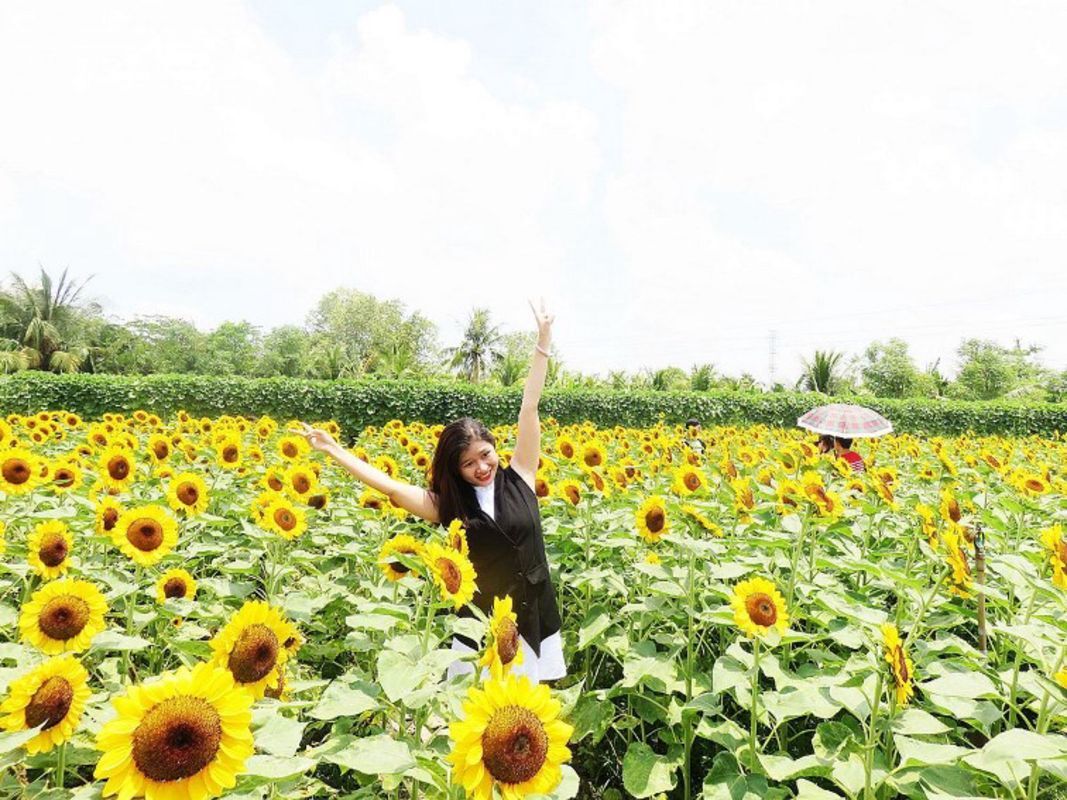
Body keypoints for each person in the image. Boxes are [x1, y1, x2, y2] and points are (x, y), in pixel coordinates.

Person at [297, 299, 565, 684]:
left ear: (495, 447)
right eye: (469, 463)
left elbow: (529, 407)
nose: (482, 467)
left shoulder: (521, 474)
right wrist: (334, 450)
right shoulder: (449, 506)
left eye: (486, 455)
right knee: (477, 713)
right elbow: (388, 485)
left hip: (534, 613)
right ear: (455, 469)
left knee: (528, 713)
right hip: (481, 630)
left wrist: (543, 342)